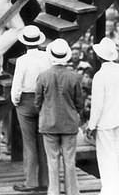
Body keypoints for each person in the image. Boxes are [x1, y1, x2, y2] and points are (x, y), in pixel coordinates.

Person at [35, 38, 84, 195]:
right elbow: (79, 102)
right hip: (69, 123)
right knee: (70, 160)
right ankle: (72, 192)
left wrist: (44, 111)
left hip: (49, 122)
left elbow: (37, 102)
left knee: (52, 160)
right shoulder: (74, 77)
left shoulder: (43, 76)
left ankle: (53, 191)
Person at [86, 37, 119, 195]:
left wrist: (91, 125)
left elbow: (97, 105)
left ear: (99, 57)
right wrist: (117, 106)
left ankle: (110, 190)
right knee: (118, 151)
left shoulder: (100, 75)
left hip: (105, 120)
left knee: (106, 155)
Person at [11, 26, 51, 192]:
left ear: (25, 43)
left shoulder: (22, 60)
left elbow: (17, 85)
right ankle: (45, 180)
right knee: (43, 141)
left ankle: (31, 182)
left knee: (29, 143)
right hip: (44, 99)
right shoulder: (46, 58)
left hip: (26, 100)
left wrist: (16, 100)